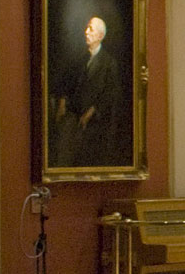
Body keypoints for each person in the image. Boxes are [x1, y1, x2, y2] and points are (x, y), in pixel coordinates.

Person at [49, 15, 129, 169]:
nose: (86, 32)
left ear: (100, 36)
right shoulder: (81, 59)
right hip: (74, 117)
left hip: (96, 122)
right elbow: (67, 85)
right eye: (86, 28)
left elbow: (111, 94)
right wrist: (62, 102)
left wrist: (91, 111)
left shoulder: (109, 63)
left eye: (90, 29)